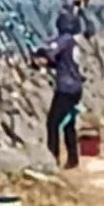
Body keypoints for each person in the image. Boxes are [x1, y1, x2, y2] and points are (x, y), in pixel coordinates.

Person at [37, 9, 85, 169]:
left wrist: (39, 57)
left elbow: (50, 53)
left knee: (52, 123)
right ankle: (73, 158)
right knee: (68, 123)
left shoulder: (64, 40)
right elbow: (61, 62)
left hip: (66, 89)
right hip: (76, 88)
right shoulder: (73, 42)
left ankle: (53, 157)